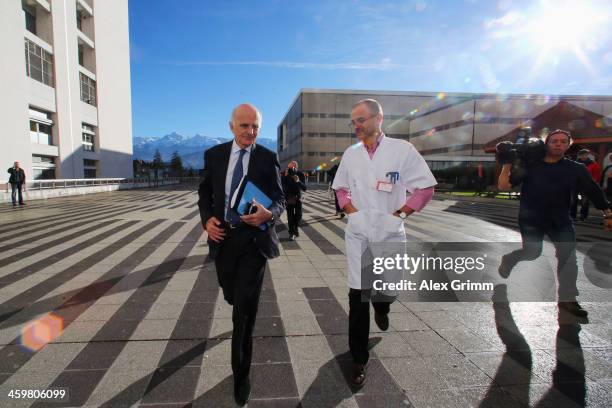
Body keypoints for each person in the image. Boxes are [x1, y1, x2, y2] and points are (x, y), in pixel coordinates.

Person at [332, 99, 436, 386]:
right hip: (359, 235)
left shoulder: (402, 151)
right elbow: (340, 188)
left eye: (361, 120)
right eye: (353, 121)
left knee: (388, 288)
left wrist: (400, 213)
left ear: (379, 118)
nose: (356, 126)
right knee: (357, 296)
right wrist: (351, 211)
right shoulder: (351, 154)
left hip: (390, 232)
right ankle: (358, 358)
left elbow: (425, 188)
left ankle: (384, 304)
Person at [197, 103, 285, 406]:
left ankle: (241, 375)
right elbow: (205, 194)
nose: (251, 132)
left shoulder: (267, 157)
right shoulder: (215, 155)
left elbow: (279, 200)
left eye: (256, 127)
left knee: (244, 314)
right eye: (245, 126)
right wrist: (206, 219)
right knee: (232, 295)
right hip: (223, 240)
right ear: (231, 126)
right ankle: (234, 298)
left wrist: (268, 215)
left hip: (254, 243)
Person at [498, 130, 612, 318]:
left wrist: (608, 214)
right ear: (546, 144)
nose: (558, 144)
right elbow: (503, 186)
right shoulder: (531, 166)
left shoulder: (575, 169)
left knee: (568, 258)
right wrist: (507, 162)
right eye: (554, 141)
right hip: (531, 219)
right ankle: (510, 259)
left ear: (568, 145)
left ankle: (568, 301)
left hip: (560, 220)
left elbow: (593, 191)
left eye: (563, 141)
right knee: (532, 252)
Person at [571, 149, 601, 221]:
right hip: (575, 185)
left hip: (586, 186)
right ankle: (572, 215)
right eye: (581, 155)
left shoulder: (593, 164)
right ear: (579, 155)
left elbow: (596, 176)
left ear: (587, 155)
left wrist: (594, 184)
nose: (583, 156)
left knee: (585, 201)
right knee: (573, 201)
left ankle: (583, 215)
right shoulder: (574, 164)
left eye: (585, 154)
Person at [281, 160, 306, 240]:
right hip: (289, 198)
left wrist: (298, 181)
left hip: (298, 197)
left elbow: (304, 188)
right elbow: (281, 186)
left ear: (296, 167)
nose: (291, 169)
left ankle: (295, 230)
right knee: (290, 216)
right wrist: (284, 177)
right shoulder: (285, 174)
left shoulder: (300, 174)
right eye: (289, 167)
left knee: (299, 216)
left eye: (292, 167)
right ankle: (292, 233)